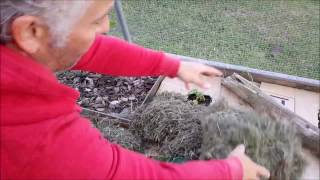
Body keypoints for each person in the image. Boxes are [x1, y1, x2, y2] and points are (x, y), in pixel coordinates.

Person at [0, 0, 270, 179]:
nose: (106, 28)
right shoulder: (35, 134)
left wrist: (172, 66)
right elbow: (127, 174)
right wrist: (231, 170)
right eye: (96, 20)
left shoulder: (18, 46)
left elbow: (85, 49)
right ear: (31, 32)